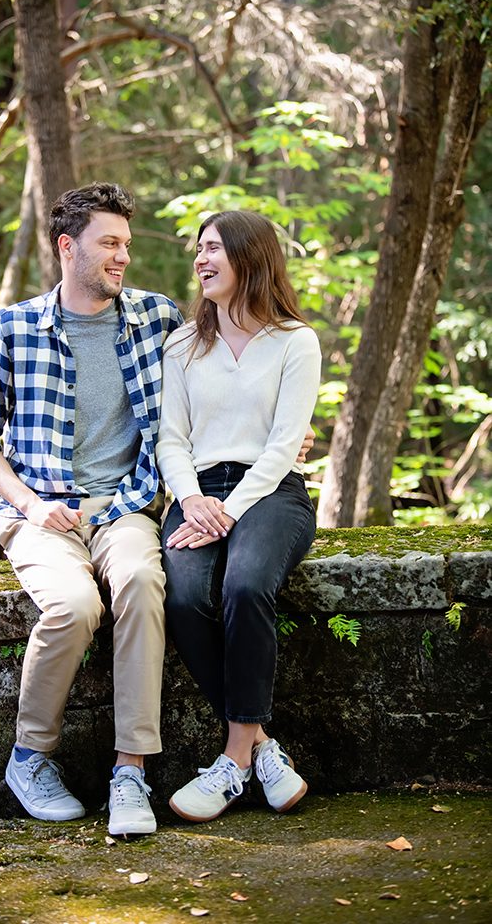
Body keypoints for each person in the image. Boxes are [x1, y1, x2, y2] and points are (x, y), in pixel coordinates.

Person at [0, 182, 183, 836]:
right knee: (76, 605)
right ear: (67, 246)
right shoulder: (14, 326)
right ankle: (29, 757)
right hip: (37, 512)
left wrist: (285, 428)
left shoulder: (157, 318)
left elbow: (215, 383)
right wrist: (28, 501)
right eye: (108, 243)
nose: (121, 257)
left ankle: (130, 772)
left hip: (125, 506)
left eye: (126, 245)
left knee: (141, 582)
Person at [156, 209, 321, 823]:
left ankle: (231, 761)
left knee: (247, 585)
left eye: (214, 250)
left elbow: (284, 444)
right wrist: (193, 499)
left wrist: (227, 510)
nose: (201, 260)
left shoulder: (295, 342)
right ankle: (263, 746)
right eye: (198, 250)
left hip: (272, 493)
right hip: (196, 494)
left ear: (250, 257)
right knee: (184, 596)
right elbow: (171, 438)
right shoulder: (182, 345)